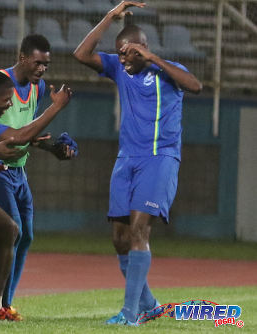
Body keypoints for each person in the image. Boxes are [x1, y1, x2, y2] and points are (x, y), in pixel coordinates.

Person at [73, 1, 202, 326]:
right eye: (119, 53)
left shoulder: (167, 70)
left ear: (142, 49)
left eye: (129, 52)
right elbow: (81, 54)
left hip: (159, 159)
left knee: (139, 230)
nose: (123, 59)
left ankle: (131, 315)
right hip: (126, 161)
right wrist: (109, 17)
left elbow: (196, 86)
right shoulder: (119, 69)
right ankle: (148, 304)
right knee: (119, 237)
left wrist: (153, 59)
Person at [0, 34, 77, 320]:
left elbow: (27, 135)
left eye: (46, 64)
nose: (42, 69)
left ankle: (5, 303)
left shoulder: (38, 87)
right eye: (38, 62)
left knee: (27, 235)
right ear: (22, 58)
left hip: (19, 171)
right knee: (13, 230)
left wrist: (53, 147)